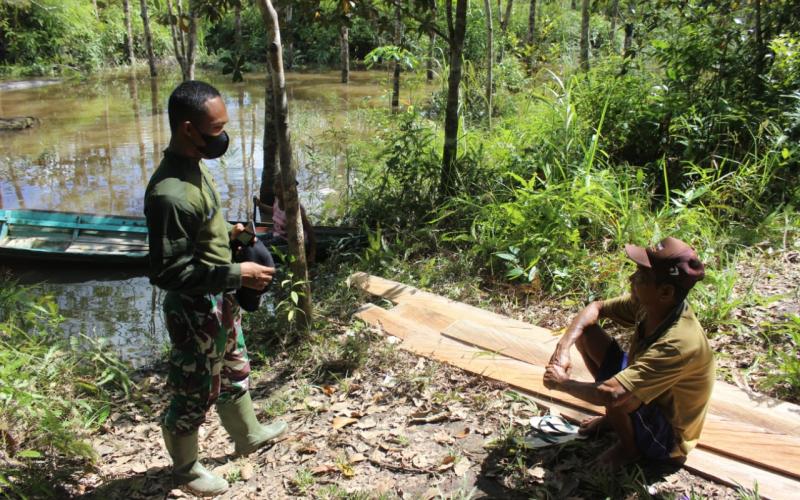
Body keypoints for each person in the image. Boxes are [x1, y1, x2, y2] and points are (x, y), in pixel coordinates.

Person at [144, 81, 288, 496]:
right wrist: (237, 275)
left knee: (235, 368)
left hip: (219, 298)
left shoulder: (195, 167)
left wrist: (231, 233)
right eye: (215, 130)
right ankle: (186, 470)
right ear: (188, 129)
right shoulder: (168, 194)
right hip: (193, 309)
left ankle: (248, 434)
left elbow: (203, 229)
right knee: (193, 392)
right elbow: (168, 273)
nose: (222, 137)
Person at [543, 237, 714, 469]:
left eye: (641, 277)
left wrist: (561, 383)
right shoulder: (652, 305)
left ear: (665, 292)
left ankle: (629, 449)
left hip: (667, 437)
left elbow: (613, 395)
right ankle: (616, 421)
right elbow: (596, 308)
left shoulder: (678, 343)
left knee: (620, 396)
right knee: (587, 333)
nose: (631, 279)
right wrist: (562, 349)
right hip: (647, 396)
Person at [254, 179, 316, 263]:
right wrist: (260, 205)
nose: (275, 189)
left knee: (257, 246)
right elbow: (274, 211)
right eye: (275, 186)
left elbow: (309, 230)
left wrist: (312, 254)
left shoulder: (296, 210)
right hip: (277, 234)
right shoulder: (278, 200)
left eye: (278, 187)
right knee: (253, 238)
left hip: (287, 240)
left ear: (287, 191)